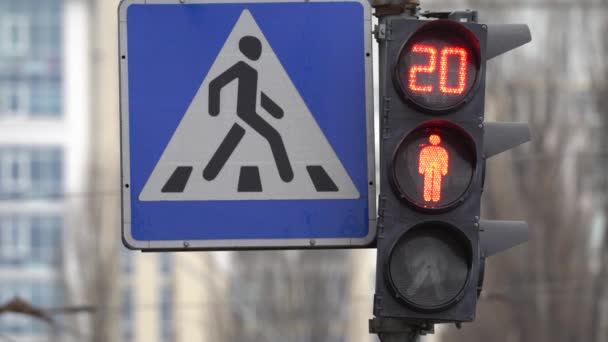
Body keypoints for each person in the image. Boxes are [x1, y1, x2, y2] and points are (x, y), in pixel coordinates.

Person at [203, 36, 293, 183]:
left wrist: (275, 111)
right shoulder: (241, 67)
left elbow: (257, 95)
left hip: (248, 113)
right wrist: (214, 109)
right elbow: (215, 84)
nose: (259, 52)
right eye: (256, 49)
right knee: (274, 137)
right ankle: (287, 176)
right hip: (245, 113)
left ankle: (209, 173)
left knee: (231, 141)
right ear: (247, 51)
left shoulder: (252, 71)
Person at [418, 134, 448, 203]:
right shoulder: (426, 149)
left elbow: (444, 161)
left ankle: (434, 198)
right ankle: (428, 198)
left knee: (436, 184)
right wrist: (422, 169)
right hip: (430, 169)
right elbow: (422, 159)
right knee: (428, 183)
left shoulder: (441, 150)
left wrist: (444, 170)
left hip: (435, 169)